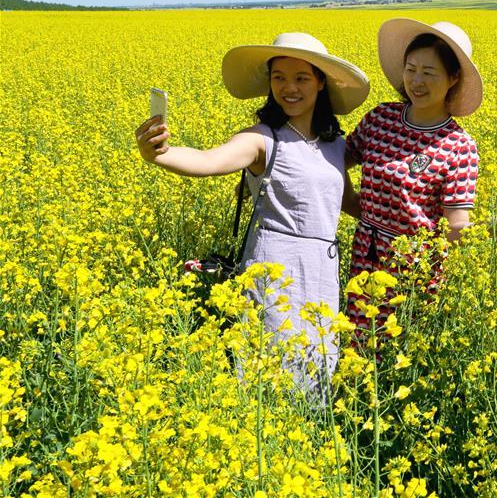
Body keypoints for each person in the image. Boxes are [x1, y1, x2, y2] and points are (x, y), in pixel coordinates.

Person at [134, 33, 369, 403]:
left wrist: (416, 225)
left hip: (322, 271)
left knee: (318, 365)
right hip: (273, 267)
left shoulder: (336, 146)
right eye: (279, 78)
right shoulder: (261, 138)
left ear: (321, 82)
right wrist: (159, 154)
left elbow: (346, 201)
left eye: (301, 78)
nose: (288, 88)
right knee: (270, 366)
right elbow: (209, 161)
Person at [344, 19, 482, 335]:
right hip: (366, 255)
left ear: (453, 78)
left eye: (429, 73)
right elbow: (335, 161)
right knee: (357, 346)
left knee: (400, 358)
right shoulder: (381, 118)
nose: (416, 81)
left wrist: (487, 233)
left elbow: (455, 222)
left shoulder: (459, 146)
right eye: (411, 69)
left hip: (414, 271)